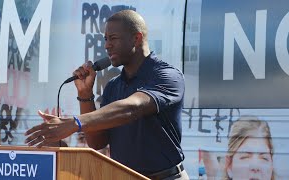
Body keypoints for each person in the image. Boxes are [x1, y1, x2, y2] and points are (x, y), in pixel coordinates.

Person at [25, 10, 189, 180]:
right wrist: (85, 94)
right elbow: (98, 142)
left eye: (113, 38)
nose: (106, 45)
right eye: (105, 39)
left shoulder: (167, 76)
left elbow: (133, 107)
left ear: (137, 38)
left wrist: (75, 123)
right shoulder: (113, 86)